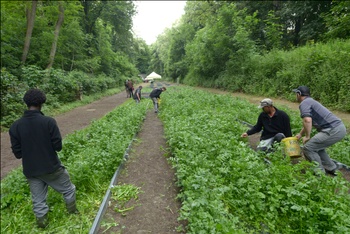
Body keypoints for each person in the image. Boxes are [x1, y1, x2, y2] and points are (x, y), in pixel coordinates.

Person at [9, 89, 78, 228]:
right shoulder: (49, 122)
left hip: (31, 170)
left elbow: (18, 154)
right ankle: (73, 214)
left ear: (26, 103)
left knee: (38, 200)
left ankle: (42, 226)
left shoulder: (15, 126)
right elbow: (58, 146)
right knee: (68, 190)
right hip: (51, 167)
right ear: (42, 103)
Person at [292, 86, 346, 175]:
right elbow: (310, 121)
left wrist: (307, 137)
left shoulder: (304, 103)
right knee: (317, 147)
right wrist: (301, 134)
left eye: (296, 94)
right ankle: (332, 168)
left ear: (299, 94)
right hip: (338, 128)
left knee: (308, 148)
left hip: (333, 129)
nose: (295, 96)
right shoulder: (311, 101)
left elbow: (307, 120)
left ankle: (319, 173)